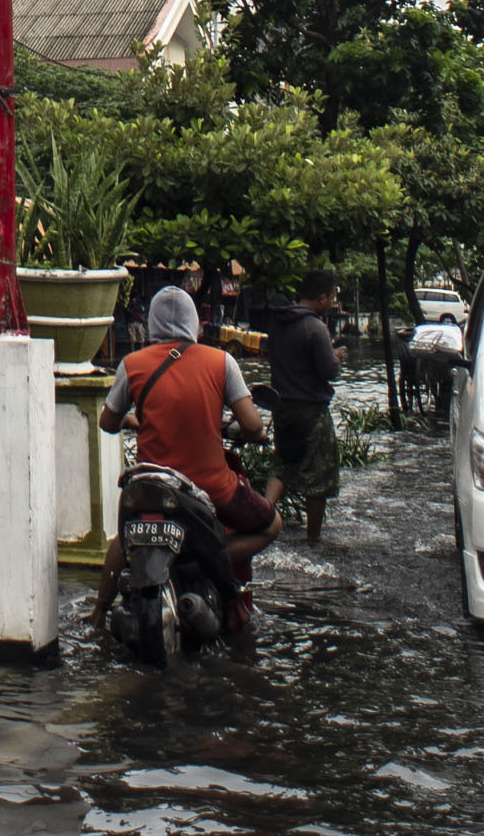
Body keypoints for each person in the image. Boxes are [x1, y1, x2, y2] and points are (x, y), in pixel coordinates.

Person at [100, 284, 277, 638]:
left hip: (150, 486)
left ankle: (95, 614)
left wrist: (132, 419)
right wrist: (250, 433)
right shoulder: (221, 361)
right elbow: (254, 424)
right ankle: (210, 554)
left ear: (151, 324)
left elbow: (107, 422)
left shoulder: (131, 364)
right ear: (195, 323)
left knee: (125, 537)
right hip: (210, 487)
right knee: (272, 526)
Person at [265, 269, 346, 543]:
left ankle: (263, 515)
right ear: (322, 298)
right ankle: (313, 539)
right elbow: (328, 371)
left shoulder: (277, 323)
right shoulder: (315, 328)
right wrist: (335, 358)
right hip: (311, 412)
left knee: (284, 465)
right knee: (319, 479)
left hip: (283, 409)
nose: (334, 303)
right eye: (333, 297)